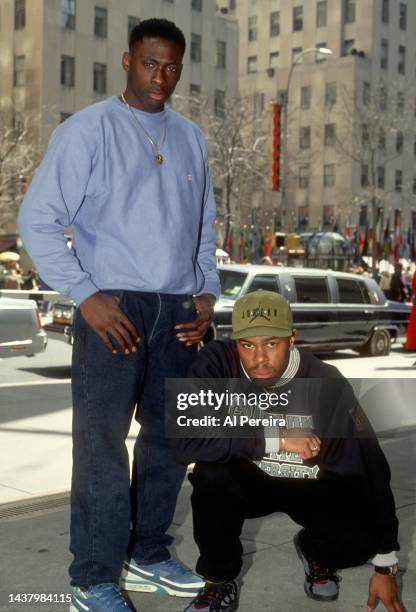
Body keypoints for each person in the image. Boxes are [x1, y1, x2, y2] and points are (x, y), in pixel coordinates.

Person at [18, 18, 219, 612]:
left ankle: (149, 553)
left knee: (167, 441)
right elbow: (39, 222)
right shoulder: (89, 131)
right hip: (114, 307)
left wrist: (206, 295)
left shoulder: (192, 138)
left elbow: (204, 227)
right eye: (151, 64)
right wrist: (86, 294)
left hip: (179, 311)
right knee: (102, 444)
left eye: (173, 67)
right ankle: (93, 575)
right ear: (129, 60)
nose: (162, 78)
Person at [172, 290, 404, 612]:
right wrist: (275, 437)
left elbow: (371, 466)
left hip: (310, 483)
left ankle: (315, 552)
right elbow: (184, 441)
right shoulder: (215, 363)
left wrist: (385, 562)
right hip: (246, 477)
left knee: (360, 537)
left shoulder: (326, 382)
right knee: (211, 476)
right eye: (247, 345)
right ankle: (219, 581)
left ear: (292, 339)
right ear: (234, 341)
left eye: (271, 343)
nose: (259, 359)